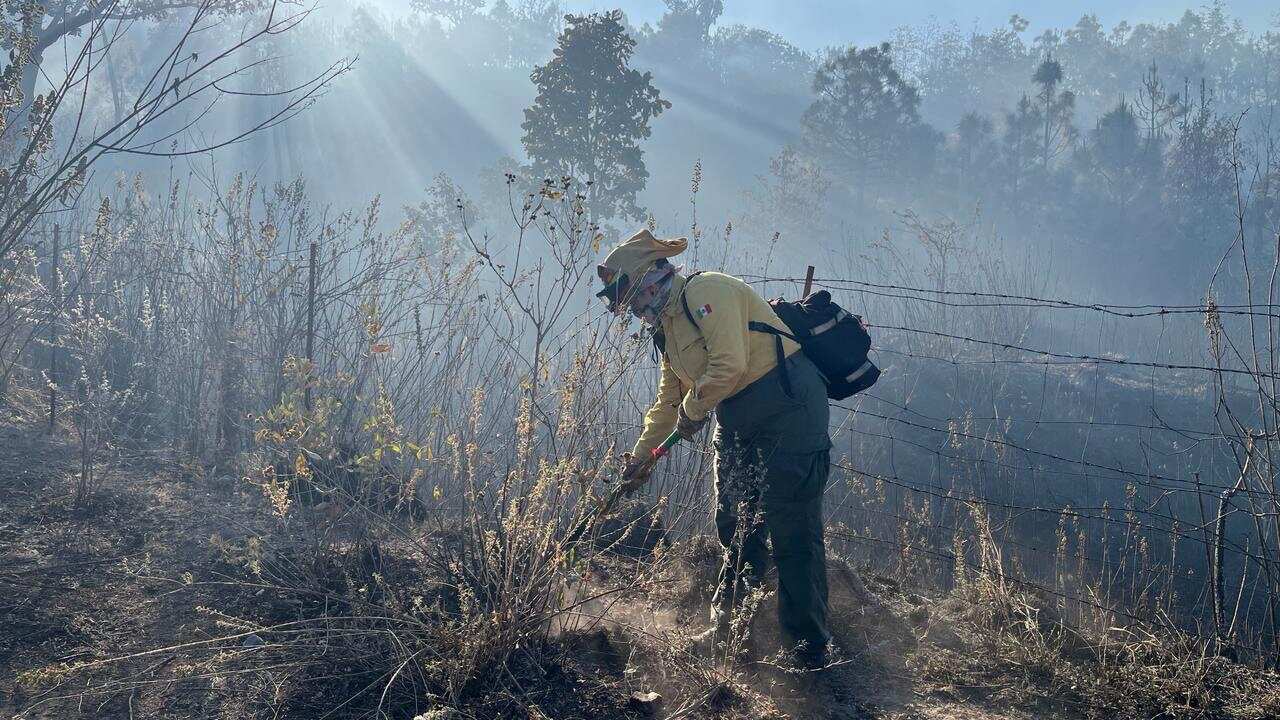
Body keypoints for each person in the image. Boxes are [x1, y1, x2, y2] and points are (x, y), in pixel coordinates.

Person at [596, 229, 832, 665]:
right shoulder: (667, 330)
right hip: (737, 419)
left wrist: (692, 411)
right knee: (735, 523)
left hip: (789, 408)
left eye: (631, 299)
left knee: (791, 524)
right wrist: (642, 456)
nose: (631, 311)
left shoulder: (708, 291)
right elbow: (669, 401)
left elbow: (729, 364)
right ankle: (729, 634)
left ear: (651, 279)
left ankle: (807, 648)